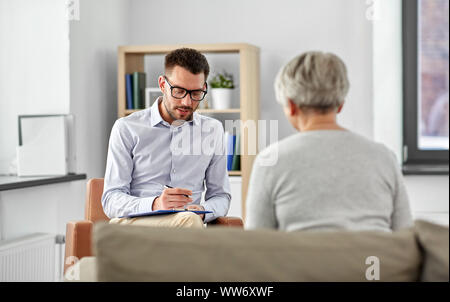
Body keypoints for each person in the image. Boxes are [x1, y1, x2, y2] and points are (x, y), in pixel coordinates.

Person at [245, 51, 413, 232]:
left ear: (291, 106)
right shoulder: (384, 157)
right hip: (373, 261)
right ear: (340, 104)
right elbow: (405, 236)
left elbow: (256, 245)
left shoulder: (270, 161)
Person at [102, 48, 231, 228]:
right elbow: (111, 199)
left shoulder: (212, 130)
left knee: (189, 221)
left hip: (187, 224)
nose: (187, 102)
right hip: (134, 224)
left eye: (195, 94)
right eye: (179, 91)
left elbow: (221, 195)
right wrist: (154, 204)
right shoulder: (127, 128)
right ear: (163, 84)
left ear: (204, 89)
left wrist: (202, 210)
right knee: (189, 223)